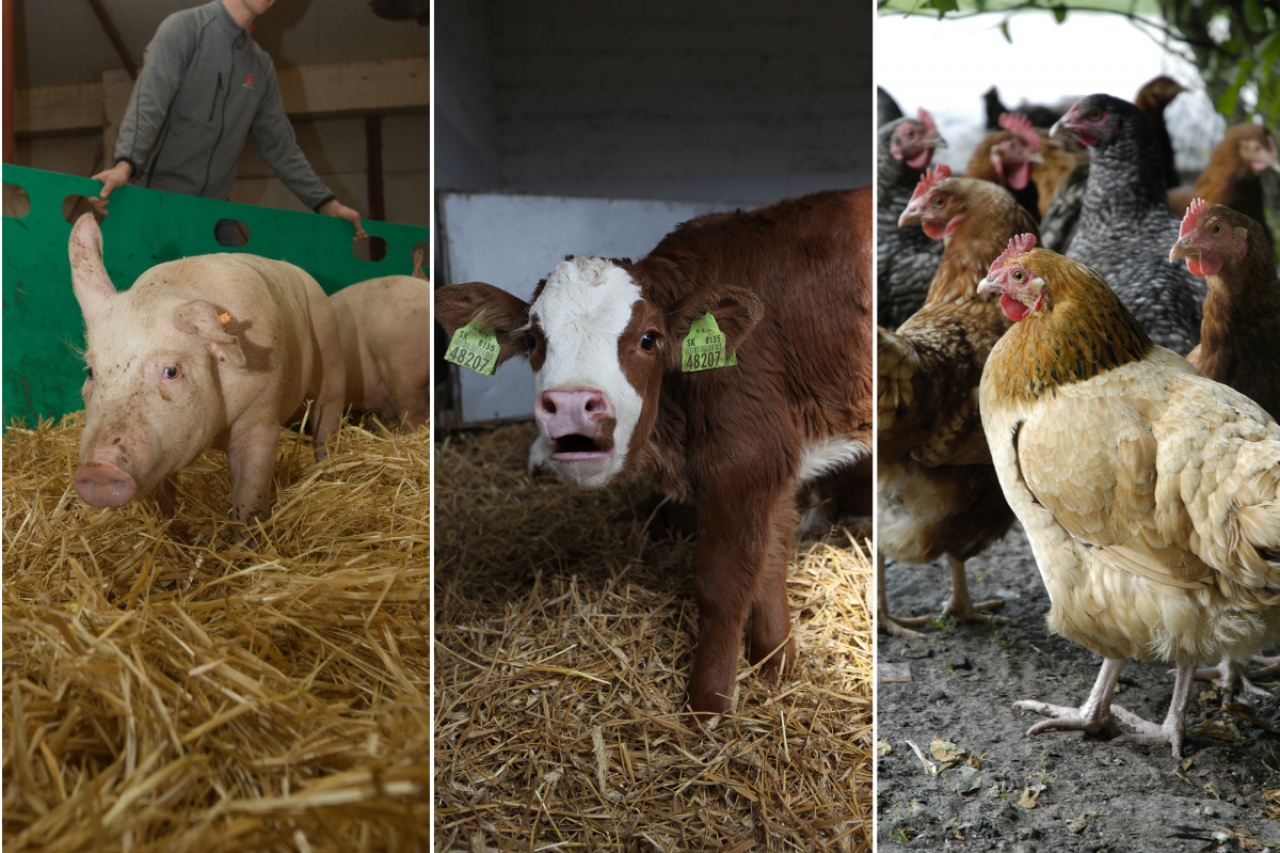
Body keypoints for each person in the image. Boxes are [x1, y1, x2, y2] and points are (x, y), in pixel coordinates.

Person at [91, 0, 367, 245]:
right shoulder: (185, 28)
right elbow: (149, 103)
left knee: (233, 291)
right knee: (138, 287)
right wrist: (124, 166)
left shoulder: (260, 66)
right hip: (155, 205)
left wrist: (327, 204)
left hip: (213, 217)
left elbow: (281, 148)